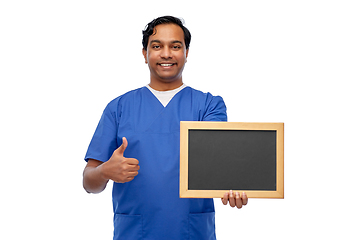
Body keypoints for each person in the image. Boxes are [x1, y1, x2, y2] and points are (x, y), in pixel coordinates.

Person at [83, 16, 248, 240]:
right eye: (157, 46)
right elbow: (89, 183)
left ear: (186, 53)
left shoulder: (209, 105)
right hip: (135, 233)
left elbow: (218, 161)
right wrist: (104, 171)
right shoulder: (118, 108)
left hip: (191, 232)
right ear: (145, 54)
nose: (166, 53)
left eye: (175, 46)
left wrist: (233, 184)